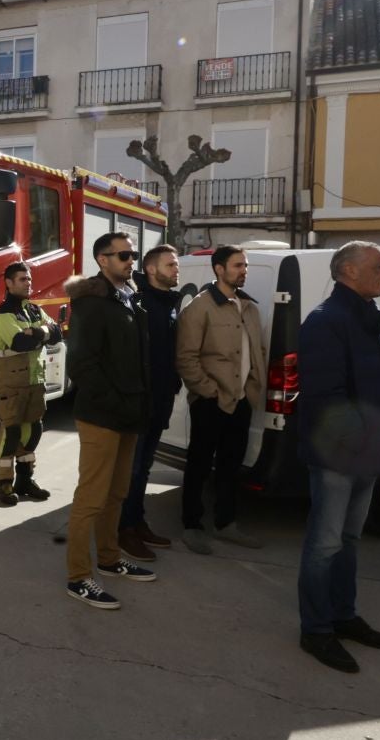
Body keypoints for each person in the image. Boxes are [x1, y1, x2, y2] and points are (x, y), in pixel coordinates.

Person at [294, 242, 380, 673]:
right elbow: (326, 401)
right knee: (324, 543)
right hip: (339, 456)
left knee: (349, 540)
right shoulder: (326, 322)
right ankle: (316, 630)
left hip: (366, 453)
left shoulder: (365, 319)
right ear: (348, 271)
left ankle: (344, 615)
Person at [62, 232, 156, 610]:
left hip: (129, 414)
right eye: (123, 255)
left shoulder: (130, 297)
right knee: (91, 498)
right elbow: (83, 364)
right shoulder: (91, 301)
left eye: (133, 254)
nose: (130, 260)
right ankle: (78, 577)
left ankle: (109, 557)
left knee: (117, 493)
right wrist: (115, 402)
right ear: (102, 260)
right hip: (102, 415)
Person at [176, 245, 267, 551]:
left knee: (231, 466)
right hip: (210, 401)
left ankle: (226, 523)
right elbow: (186, 357)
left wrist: (252, 390)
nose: (244, 270)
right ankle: (192, 525)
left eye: (245, 265)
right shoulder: (200, 307)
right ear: (219, 269)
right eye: (238, 265)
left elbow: (258, 352)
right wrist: (208, 391)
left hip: (241, 401)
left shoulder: (249, 307)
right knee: (199, 465)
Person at [118, 244, 187, 554]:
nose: (176, 269)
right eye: (170, 265)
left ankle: (137, 521)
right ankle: (123, 530)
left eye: (176, 265)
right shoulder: (139, 301)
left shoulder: (169, 303)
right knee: (130, 469)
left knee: (144, 468)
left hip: (160, 399)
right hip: (139, 401)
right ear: (151, 269)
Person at [0, 262, 58, 507]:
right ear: (8, 283)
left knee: (33, 431)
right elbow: (19, 343)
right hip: (13, 385)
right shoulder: (3, 313)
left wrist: (36, 332)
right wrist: (41, 333)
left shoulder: (34, 310)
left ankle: (25, 481)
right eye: (22, 279)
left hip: (34, 382)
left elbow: (57, 332)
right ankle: (4, 484)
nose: (28, 283)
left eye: (29, 279)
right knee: (10, 433)